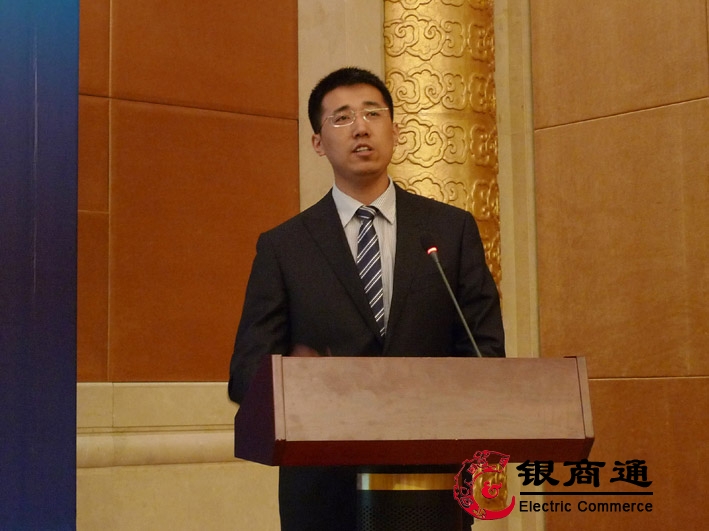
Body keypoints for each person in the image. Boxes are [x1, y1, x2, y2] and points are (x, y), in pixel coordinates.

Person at [228, 67, 505, 531]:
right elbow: (245, 373)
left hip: (430, 481)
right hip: (323, 490)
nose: (360, 127)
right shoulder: (284, 247)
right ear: (318, 142)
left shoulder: (450, 231)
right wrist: (295, 383)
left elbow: (485, 351)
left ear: (395, 131)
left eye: (373, 114)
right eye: (342, 118)